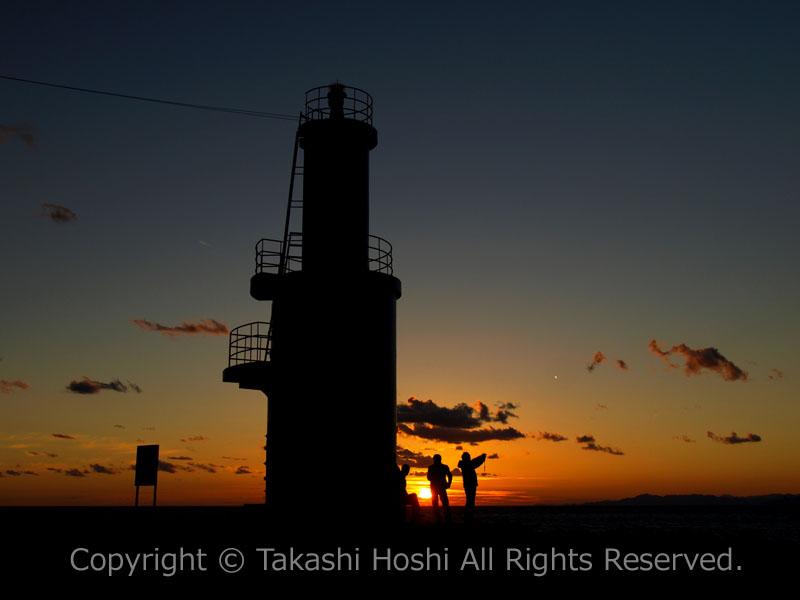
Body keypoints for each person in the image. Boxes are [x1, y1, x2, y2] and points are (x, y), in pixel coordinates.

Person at [457, 452, 487, 523]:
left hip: (469, 484)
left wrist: (481, 457)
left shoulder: (465, 464)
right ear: (466, 458)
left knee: (470, 501)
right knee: (470, 501)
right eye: (468, 457)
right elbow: (475, 463)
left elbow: (474, 462)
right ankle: (468, 517)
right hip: (470, 485)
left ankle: (468, 517)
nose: (470, 458)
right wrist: (481, 458)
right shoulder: (466, 465)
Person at [426, 454, 452, 523]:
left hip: (439, 487)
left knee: (442, 503)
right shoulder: (438, 467)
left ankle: (443, 519)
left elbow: (428, 478)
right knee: (440, 503)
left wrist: (449, 483)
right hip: (436, 488)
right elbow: (428, 478)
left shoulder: (433, 467)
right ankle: (442, 519)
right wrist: (448, 483)